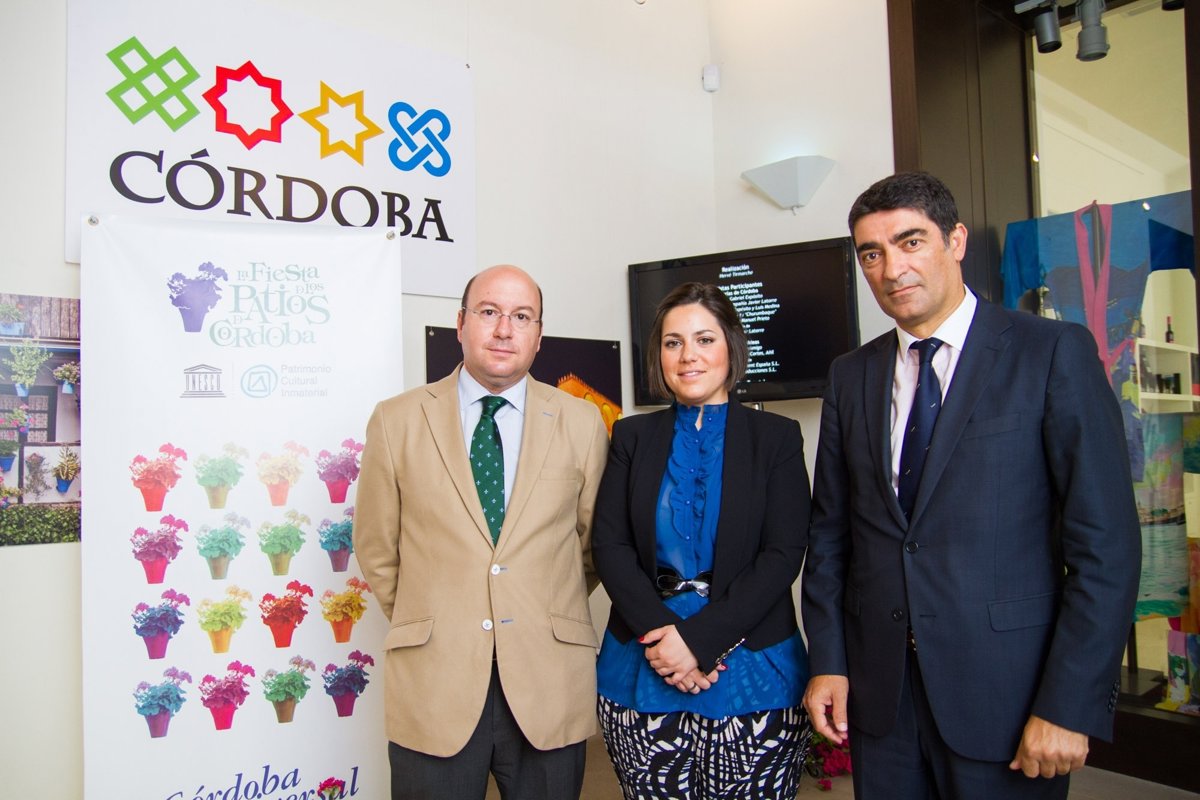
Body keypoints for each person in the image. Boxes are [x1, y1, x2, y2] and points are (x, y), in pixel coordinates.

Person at [801, 171, 1142, 799]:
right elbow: (830, 538)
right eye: (871, 254)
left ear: (956, 241)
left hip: (1009, 697)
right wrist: (829, 662)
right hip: (882, 702)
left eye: (911, 242)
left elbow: (1107, 550)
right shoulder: (850, 376)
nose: (892, 269)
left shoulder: (1051, 352)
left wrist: (1070, 703)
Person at [353, 264, 610, 800]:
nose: (504, 329)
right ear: (461, 323)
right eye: (489, 312)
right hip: (435, 682)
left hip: (547, 679)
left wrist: (537, 602)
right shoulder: (396, 420)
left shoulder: (582, 422)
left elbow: (592, 547)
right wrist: (434, 614)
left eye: (522, 316)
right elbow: (377, 548)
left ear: (539, 335)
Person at [592, 282, 812, 800]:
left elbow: (783, 553)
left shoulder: (777, 438)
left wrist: (698, 642)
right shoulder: (630, 437)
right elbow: (610, 546)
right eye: (673, 343)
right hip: (643, 664)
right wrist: (665, 641)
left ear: (731, 347)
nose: (688, 355)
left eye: (704, 339)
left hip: (754, 668)